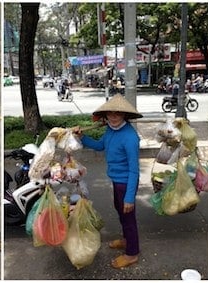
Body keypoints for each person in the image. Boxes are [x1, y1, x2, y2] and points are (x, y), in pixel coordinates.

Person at [74, 94, 143, 269]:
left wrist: (129, 197)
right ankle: (127, 240)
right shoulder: (111, 130)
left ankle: (132, 253)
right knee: (121, 213)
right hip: (116, 180)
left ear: (124, 116)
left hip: (126, 183)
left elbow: (134, 170)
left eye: (117, 114)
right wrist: (82, 138)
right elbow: (100, 145)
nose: (113, 117)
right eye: (109, 114)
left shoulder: (130, 138)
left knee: (128, 217)